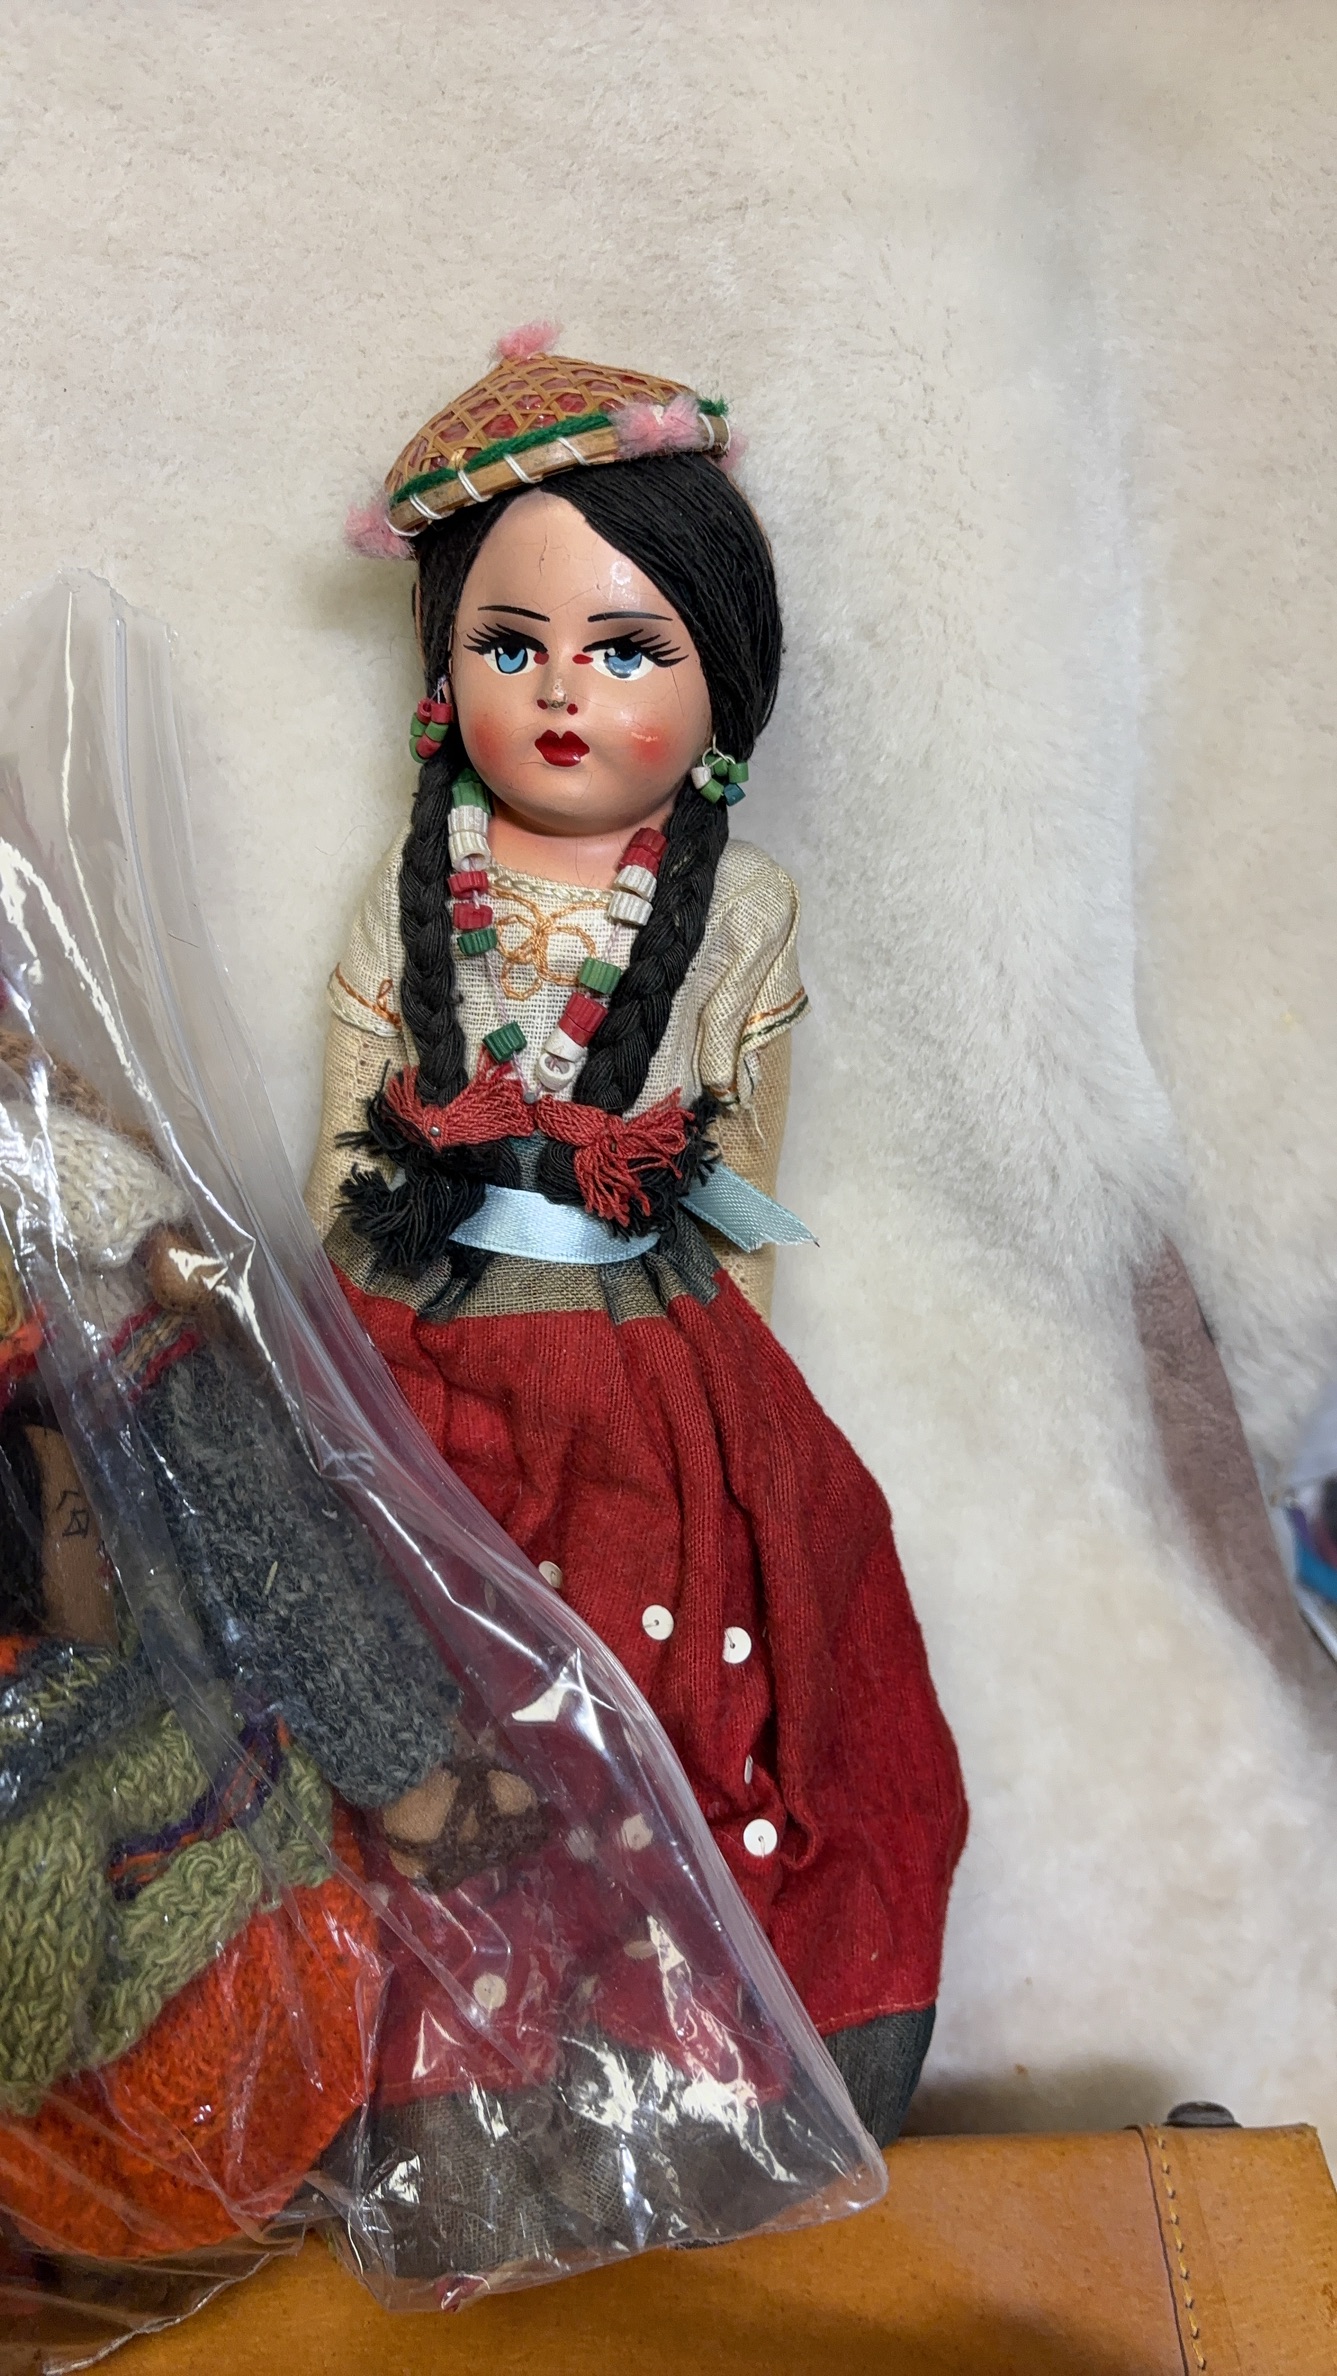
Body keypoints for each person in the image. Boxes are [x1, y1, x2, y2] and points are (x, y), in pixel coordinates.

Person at [311, 332, 968, 2180]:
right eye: (509, 645)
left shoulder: (739, 909)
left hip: (649, 1346)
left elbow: (742, 1166)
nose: (561, 694)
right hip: (428, 1333)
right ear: (440, 672)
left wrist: (736, 1414)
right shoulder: (406, 889)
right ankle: (453, 2088)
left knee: (711, 1661)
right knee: (439, 1677)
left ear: (720, 681)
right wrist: (328, 1371)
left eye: (625, 650)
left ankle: (720, 2057)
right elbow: (346, 1144)